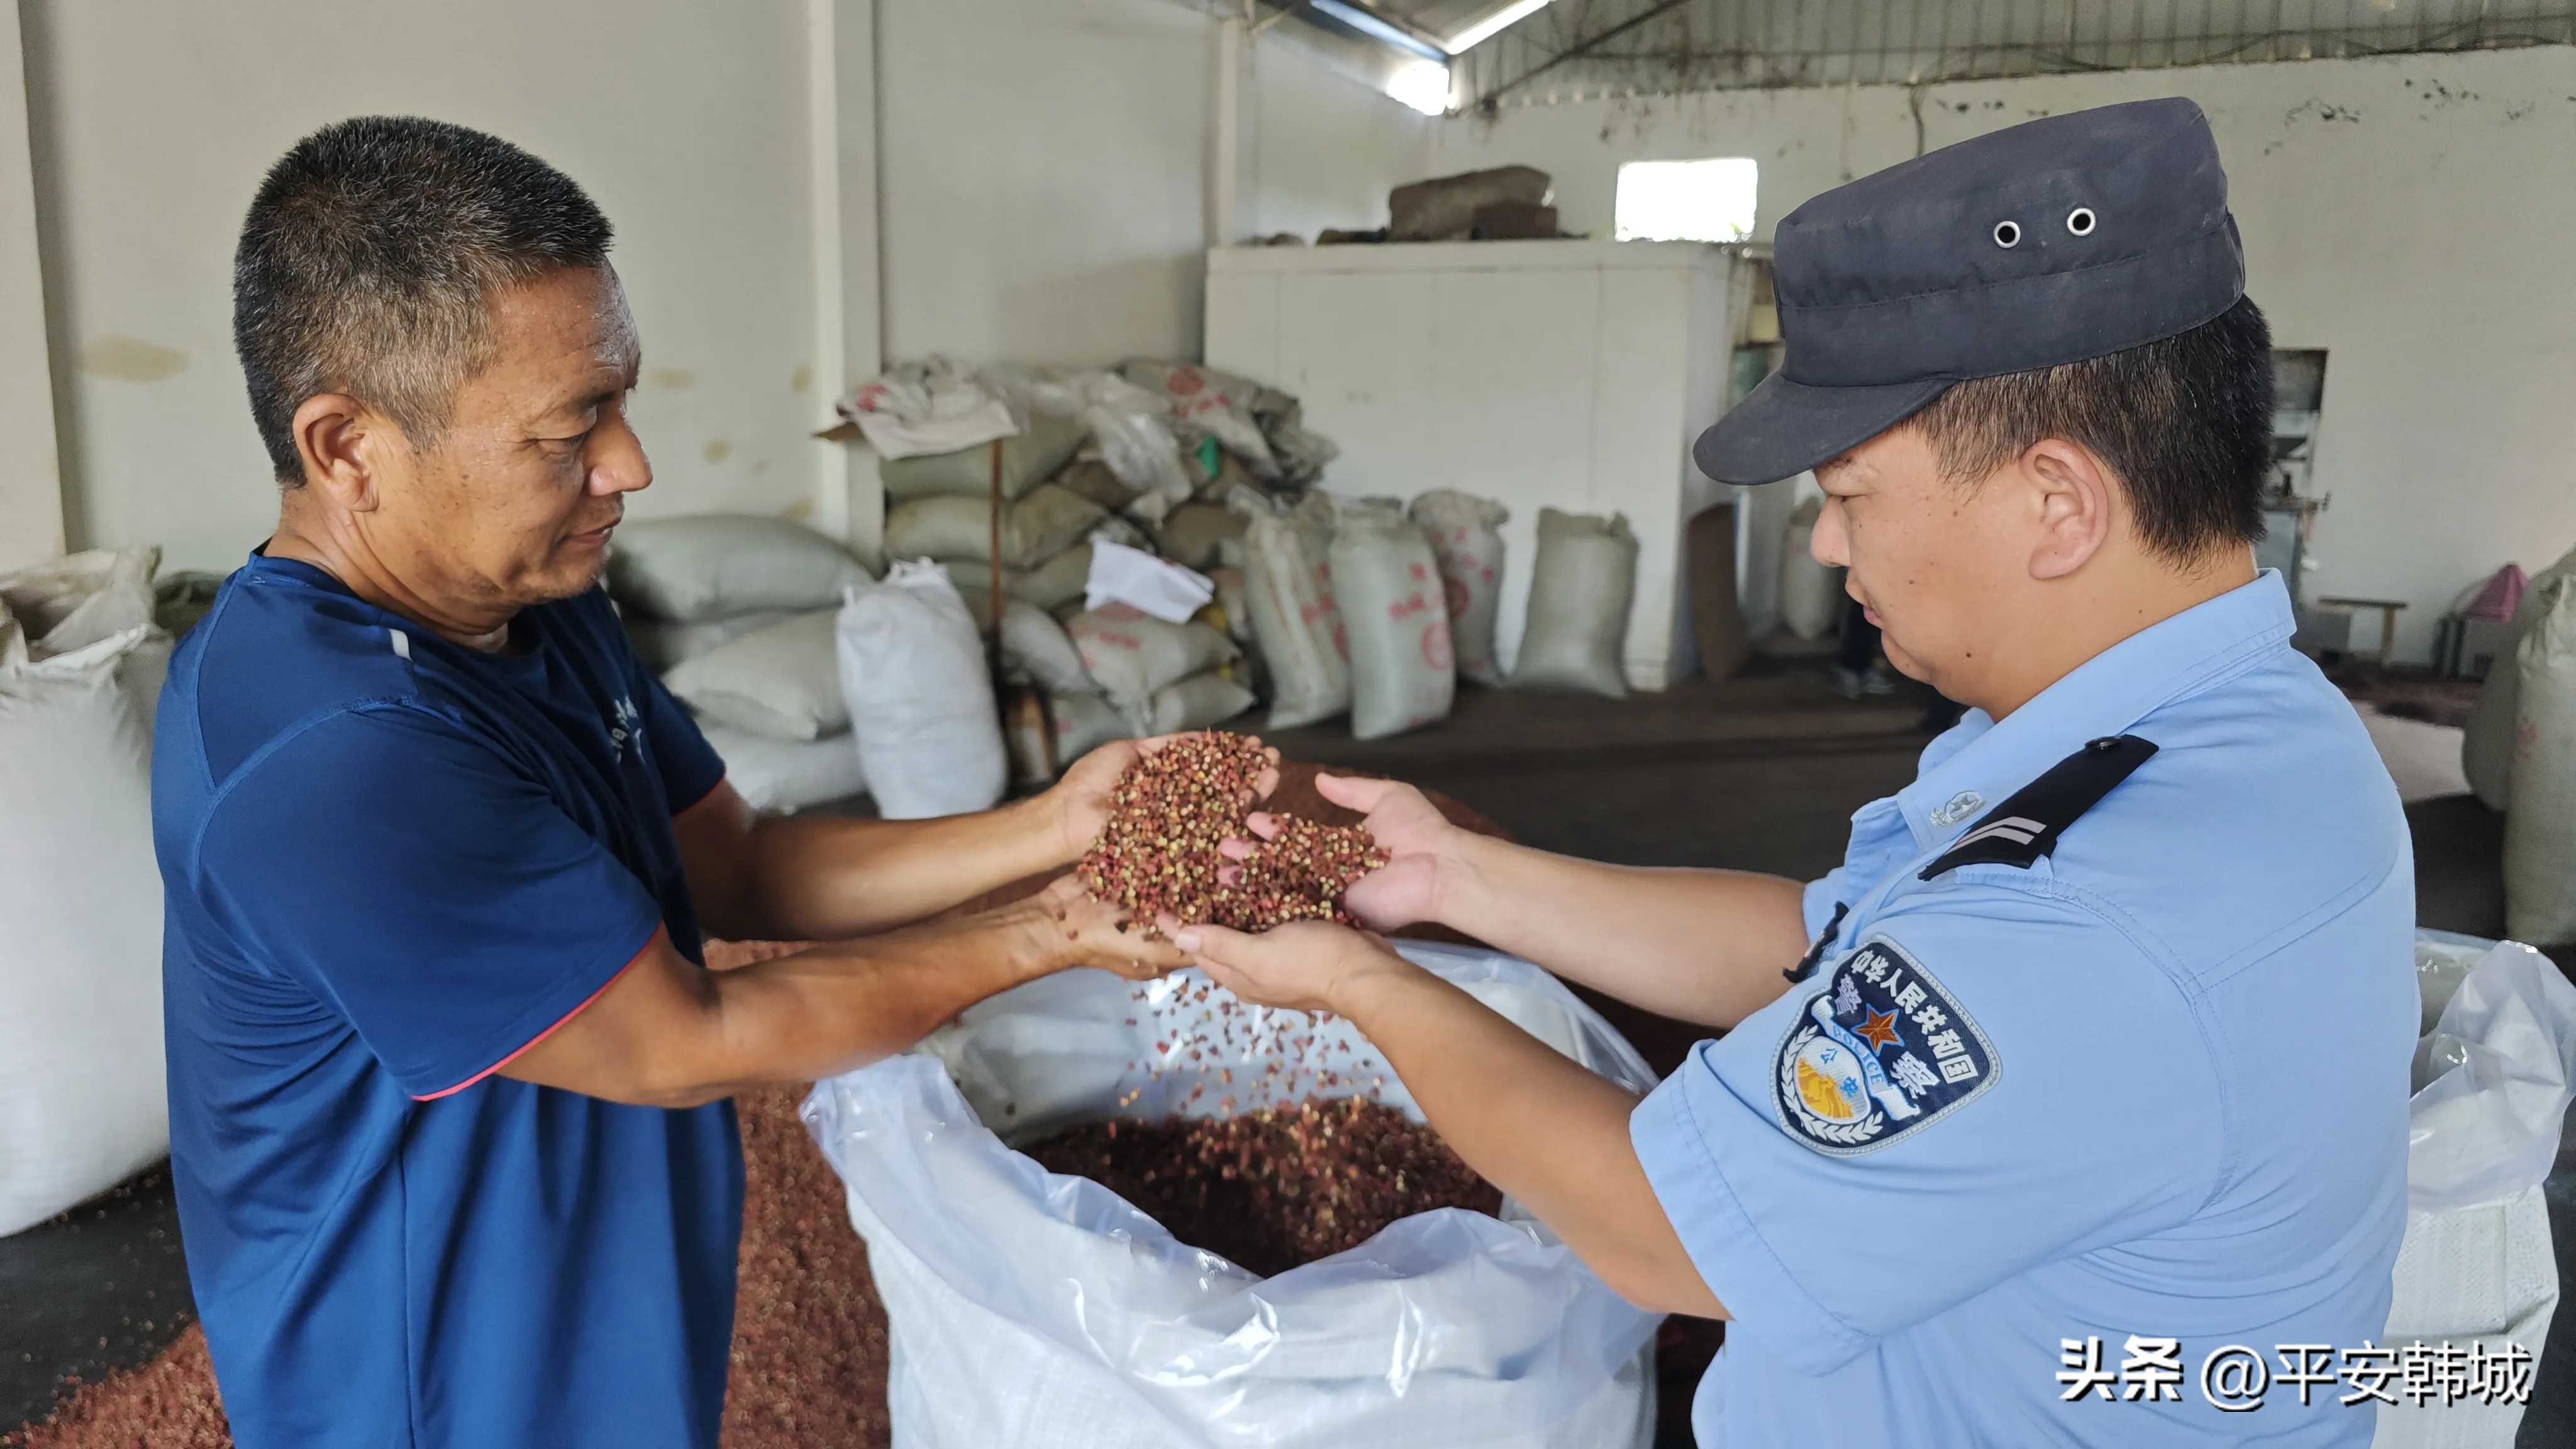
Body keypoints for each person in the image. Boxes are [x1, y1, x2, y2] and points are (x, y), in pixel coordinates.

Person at [1172, 98, 2414, 1446]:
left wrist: (1357, 983)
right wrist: (1456, 875)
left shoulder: (2091, 912)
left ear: (2054, 503)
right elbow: (1827, 947)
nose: (1826, 548)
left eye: (1848, 494)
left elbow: (1660, 1238)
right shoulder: (2233, 721)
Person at [155, 118, 1204, 1448]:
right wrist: (1051, 931)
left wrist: (1058, 824)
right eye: (570, 426)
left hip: (603, 1314)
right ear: (349, 447)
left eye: (620, 399)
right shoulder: (332, 751)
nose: (629, 465)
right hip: (438, 1389)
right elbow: (682, 1038)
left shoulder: (530, 600)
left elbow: (744, 868)